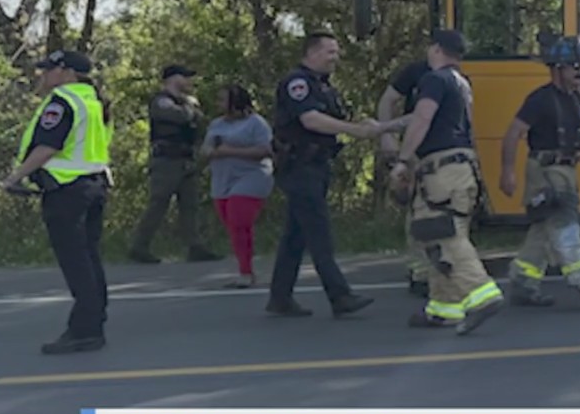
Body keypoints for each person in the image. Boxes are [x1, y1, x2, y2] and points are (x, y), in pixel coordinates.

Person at [267, 31, 402, 318]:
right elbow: (311, 119)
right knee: (319, 234)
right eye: (330, 52)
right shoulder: (298, 83)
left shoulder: (322, 85)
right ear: (312, 53)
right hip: (299, 166)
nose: (335, 58)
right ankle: (339, 295)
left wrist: (363, 125)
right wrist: (354, 130)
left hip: (316, 165)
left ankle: (280, 297)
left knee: (295, 236)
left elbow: (332, 118)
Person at [390, 29, 505, 334]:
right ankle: (444, 307)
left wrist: (403, 159)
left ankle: (482, 294)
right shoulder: (460, 83)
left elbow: (422, 118)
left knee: (441, 233)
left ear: (436, 49)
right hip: (461, 168)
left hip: (441, 169)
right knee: (436, 237)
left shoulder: (434, 79)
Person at [0, 51, 111, 354]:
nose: (44, 74)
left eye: (49, 69)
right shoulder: (95, 100)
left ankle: (85, 330)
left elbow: (48, 146)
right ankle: (95, 320)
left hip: (66, 189)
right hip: (94, 184)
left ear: (66, 72)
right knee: (89, 257)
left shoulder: (62, 102)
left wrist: (15, 177)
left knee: (76, 261)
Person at [498, 35, 580, 308]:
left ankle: (523, 283)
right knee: (564, 223)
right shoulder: (539, 100)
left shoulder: (575, 99)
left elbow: (577, 136)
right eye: (574, 66)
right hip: (545, 173)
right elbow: (513, 133)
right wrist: (507, 172)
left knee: (543, 230)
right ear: (557, 68)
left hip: (566, 172)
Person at [129, 64, 221, 264]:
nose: (189, 81)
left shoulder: (185, 101)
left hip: (186, 158)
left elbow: (199, 122)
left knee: (190, 205)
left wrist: (191, 109)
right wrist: (190, 107)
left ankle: (195, 246)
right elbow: (181, 116)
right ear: (172, 78)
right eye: (184, 76)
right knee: (159, 203)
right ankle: (139, 246)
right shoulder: (161, 101)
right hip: (166, 160)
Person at [201, 85, 274, 290]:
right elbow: (206, 148)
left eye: (222, 100)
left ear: (236, 102)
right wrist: (210, 152)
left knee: (238, 219)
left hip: (251, 177)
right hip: (222, 180)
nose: (218, 103)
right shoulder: (216, 124)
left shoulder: (256, 123)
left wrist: (230, 151)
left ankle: (246, 272)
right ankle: (245, 266)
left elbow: (266, 150)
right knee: (233, 227)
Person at [377, 55, 433, 298]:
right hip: (415, 149)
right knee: (417, 209)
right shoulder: (417, 70)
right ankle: (420, 272)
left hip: (444, 150)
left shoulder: (457, 76)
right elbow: (388, 100)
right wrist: (387, 135)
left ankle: (438, 267)